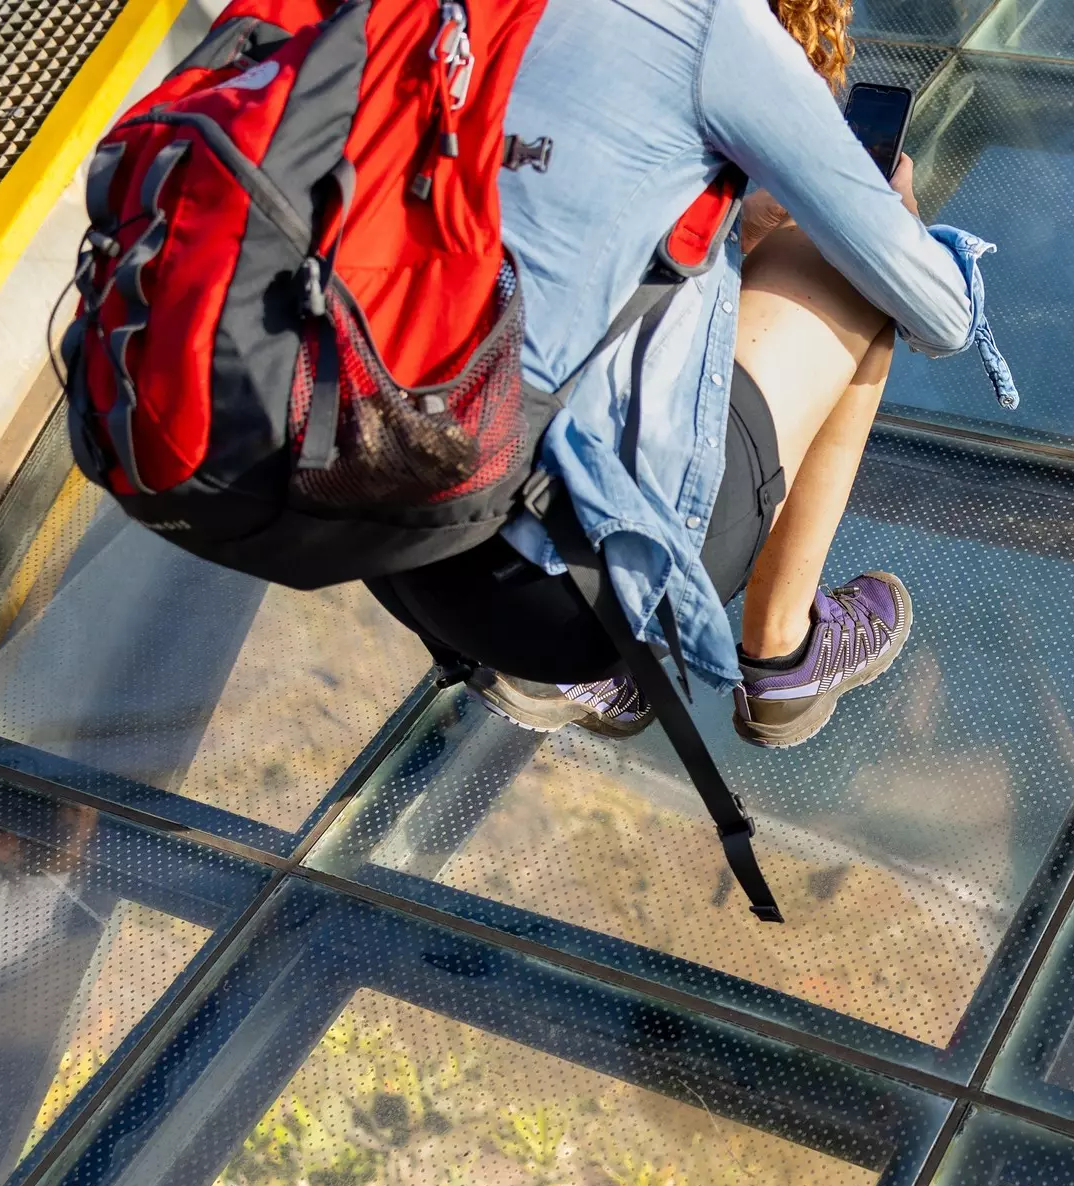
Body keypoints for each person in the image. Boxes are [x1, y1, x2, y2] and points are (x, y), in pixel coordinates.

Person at [365, 0, 1014, 750]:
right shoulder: (710, 26)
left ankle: (582, 674)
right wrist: (887, 219)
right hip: (566, 597)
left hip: (374, 532)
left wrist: (729, 221)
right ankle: (784, 652)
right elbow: (940, 315)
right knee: (835, 256)